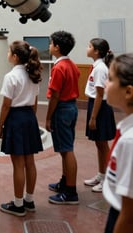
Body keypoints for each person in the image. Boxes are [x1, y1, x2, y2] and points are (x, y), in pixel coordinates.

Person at [0, 40, 43, 217]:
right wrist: (31, 119)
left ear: (15, 57)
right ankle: (29, 200)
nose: (7, 54)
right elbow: (35, 101)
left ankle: (17, 205)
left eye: (9, 52)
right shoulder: (33, 73)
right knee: (29, 161)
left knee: (18, 164)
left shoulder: (11, 77)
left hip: (15, 118)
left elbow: (6, 105)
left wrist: (1, 125)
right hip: (29, 117)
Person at [46, 30, 80, 204]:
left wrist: (48, 117)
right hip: (72, 108)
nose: (49, 46)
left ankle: (71, 192)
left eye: (51, 43)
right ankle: (65, 182)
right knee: (65, 148)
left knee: (67, 151)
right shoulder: (72, 65)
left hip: (62, 109)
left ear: (57, 47)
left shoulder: (59, 67)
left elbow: (55, 95)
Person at [103, 53, 133, 233]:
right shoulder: (125, 131)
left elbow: (129, 216)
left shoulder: (130, 142)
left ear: (128, 91)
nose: (105, 84)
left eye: (110, 79)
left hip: (122, 216)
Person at [84, 38, 116, 192]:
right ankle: (101, 174)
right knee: (98, 143)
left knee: (103, 145)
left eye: (89, 46)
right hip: (96, 105)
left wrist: (93, 117)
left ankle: (108, 179)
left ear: (96, 51)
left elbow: (99, 94)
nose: (87, 48)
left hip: (100, 108)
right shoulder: (96, 66)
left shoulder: (100, 68)